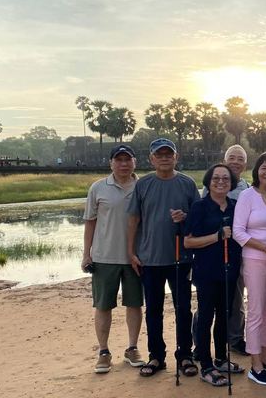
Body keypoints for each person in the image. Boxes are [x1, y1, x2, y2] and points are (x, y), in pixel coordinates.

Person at [126, 138, 200, 378]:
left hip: (181, 257)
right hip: (150, 258)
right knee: (153, 310)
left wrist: (185, 217)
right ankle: (156, 356)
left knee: (183, 309)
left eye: (169, 154)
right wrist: (131, 252)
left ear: (176, 157)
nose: (165, 158)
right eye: (160, 155)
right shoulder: (143, 184)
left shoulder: (187, 183)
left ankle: (185, 354)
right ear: (151, 159)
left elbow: (199, 220)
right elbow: (134, 220)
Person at [82, 144, 144, 374]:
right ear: (111, 163)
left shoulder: (143, 186)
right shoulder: (98, 188)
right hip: (104, 257)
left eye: (128, 159)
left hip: (135, 257)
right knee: (103, 305)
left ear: (135, 162)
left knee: (135, 303)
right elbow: (90, 222)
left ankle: (132, 348)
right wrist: (86, 254)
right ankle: (104, 352)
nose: (123, 164)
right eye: (118, 160)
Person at [185, 164, 244, 387]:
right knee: (206, 317)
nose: (221, 182)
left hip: (230, 270)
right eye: (216, 178)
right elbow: (188, 241)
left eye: (226, 179)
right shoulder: (200, 207)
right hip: (206, 271)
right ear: (208, 181)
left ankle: (221, 358)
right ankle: (206, 365)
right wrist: (217, 236)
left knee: (225, 316)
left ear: (232, 183)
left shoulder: (235, 206)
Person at [232, 152, 266, 385]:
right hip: (255, 259)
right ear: (256, 171)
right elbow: (238, 232)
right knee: (255, 312)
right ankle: (255, 364)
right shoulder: (247, 196)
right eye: (264, 168)